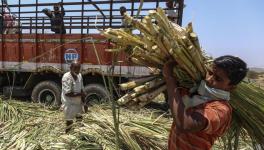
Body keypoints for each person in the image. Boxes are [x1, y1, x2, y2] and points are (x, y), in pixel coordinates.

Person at [163, 55, 248, 149]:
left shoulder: (221, 109)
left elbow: (185, 124)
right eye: (210, 73)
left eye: (218, 79)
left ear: (231, 87)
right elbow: (172, 98)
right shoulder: (194, 91)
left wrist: (169, 78)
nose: (208, 79)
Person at [61, 60, 86, 133]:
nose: (77, 71)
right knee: (69, 122)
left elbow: (82, 89)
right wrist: (80, 94)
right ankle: (67, 136)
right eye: (75, 68)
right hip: (69, 103)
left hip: (78, 103)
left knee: (79, 120)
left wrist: (84, 103)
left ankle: (80, 135)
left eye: (78, 68)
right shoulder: (66, 77)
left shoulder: (79, 75)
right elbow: (67, 93)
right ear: (70, 68)